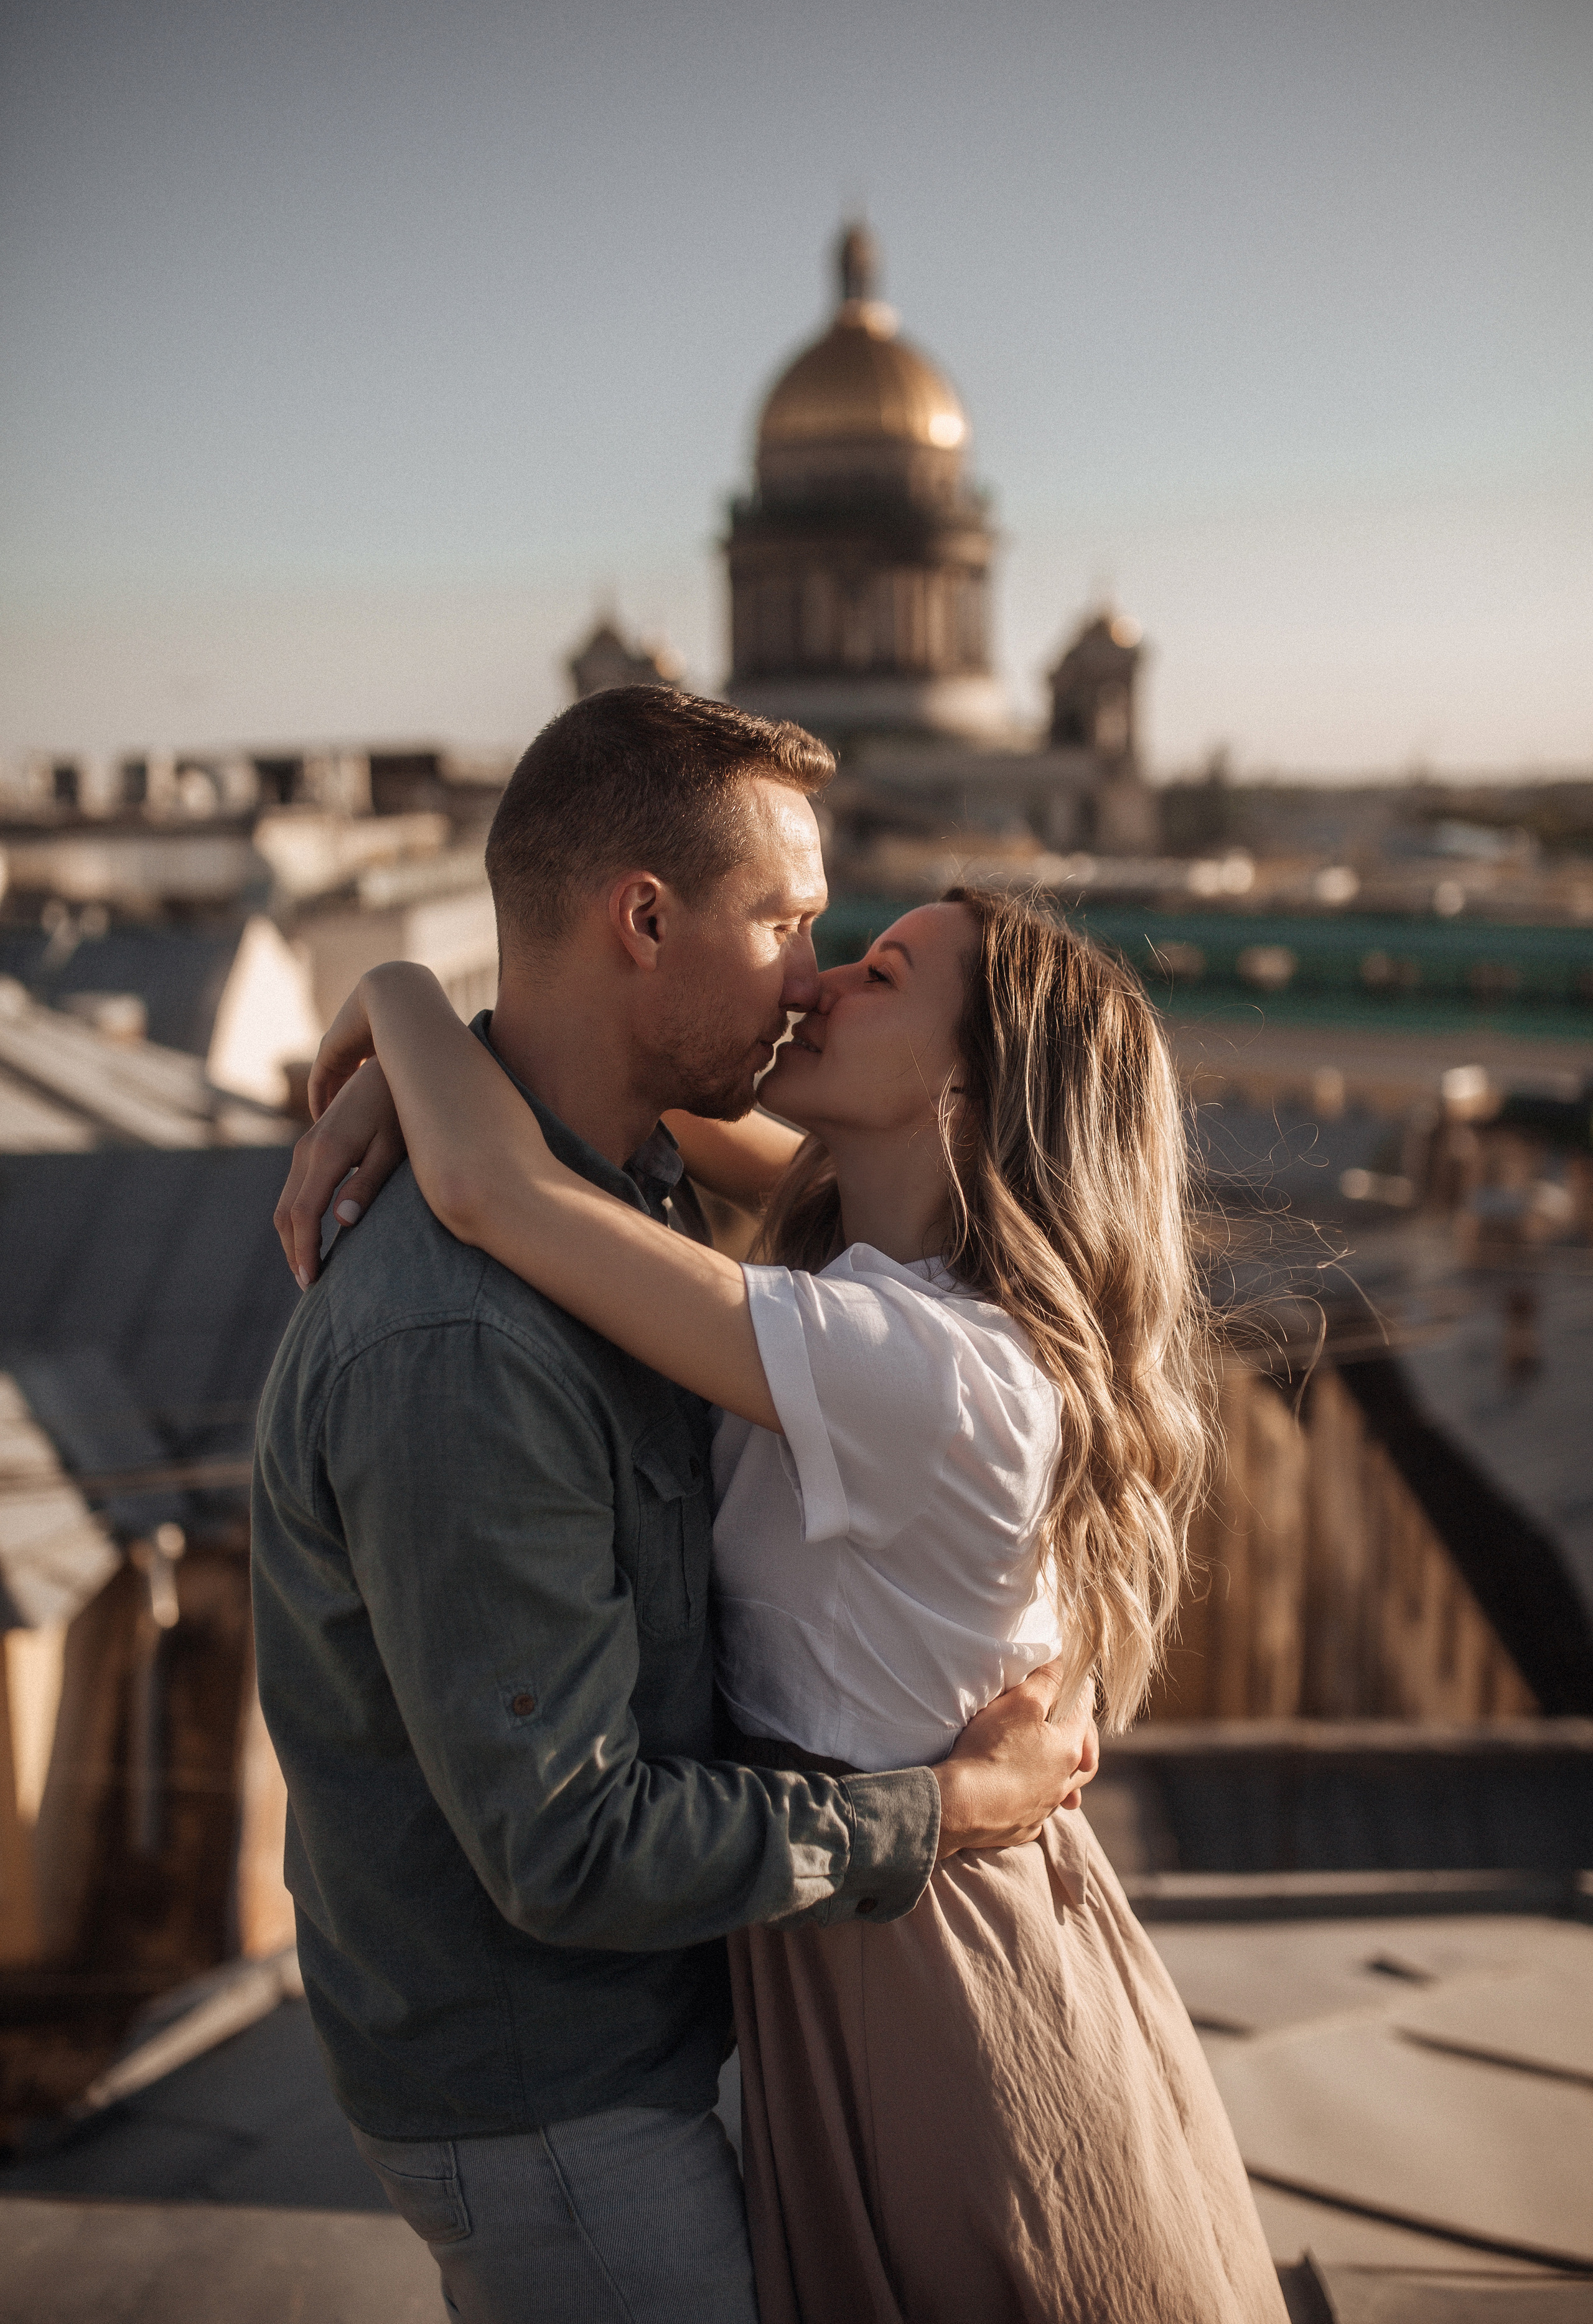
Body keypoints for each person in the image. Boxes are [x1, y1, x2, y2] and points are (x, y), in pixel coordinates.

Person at [279, 854, 1288, 2320]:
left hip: (939, 1979)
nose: (817, 981)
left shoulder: (923, 1365)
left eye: (880, 975)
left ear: (965, 1087)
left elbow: (499, 1184)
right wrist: (417, 1074)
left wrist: (394, 996)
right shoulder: (876, 1264)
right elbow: (618, 1093)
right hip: (867, 1938)